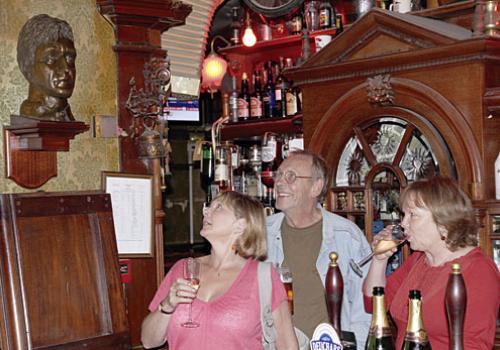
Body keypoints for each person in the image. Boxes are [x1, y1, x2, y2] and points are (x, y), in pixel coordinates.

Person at [141, 191, 298, 349]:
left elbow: (287, 345)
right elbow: (148, 341)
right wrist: (167, 306)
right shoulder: (183, 269)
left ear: (240, 225)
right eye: (208, 206)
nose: (206, 211)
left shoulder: (263, 277)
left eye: (218, 207)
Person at [363, 176, 500, 349]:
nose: (403, 223)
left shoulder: (479, 270)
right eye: (404, 215)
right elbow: (373, 305)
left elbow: (475, 344)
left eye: (413, 215)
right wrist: (379, 260)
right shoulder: (419, 260)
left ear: (443, 222)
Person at [266, 150, 372, 349]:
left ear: (316, 187)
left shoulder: (346, 235)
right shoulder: (261, 233)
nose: (279, 182)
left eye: (291, 176)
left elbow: (364, 308)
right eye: (279, 175)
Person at [17, 14, 76, 121]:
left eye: (70, 59)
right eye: (51, 59)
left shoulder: (67, 117)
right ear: (27, 67)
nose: (66, 68)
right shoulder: (31, 118)